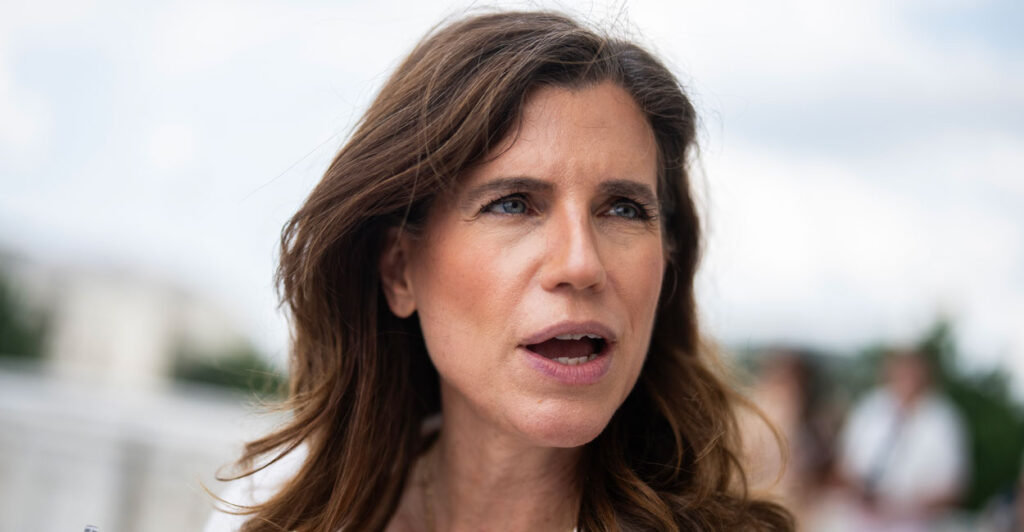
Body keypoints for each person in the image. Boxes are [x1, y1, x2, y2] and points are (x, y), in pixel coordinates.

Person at [205, 10, 793, 531]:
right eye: (513, 204)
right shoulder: (275, 506)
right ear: (399, 271)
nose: (581, 264)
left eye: (623, 209)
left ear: (667, 261)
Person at [824, 348, 969, 531]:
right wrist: (861, 493)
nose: (907, 376)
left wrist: (902, 506)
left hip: (917, 523)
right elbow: (842, 466)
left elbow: (954, 489)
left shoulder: (944, 419)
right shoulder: (870, 406)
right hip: (859, 517)